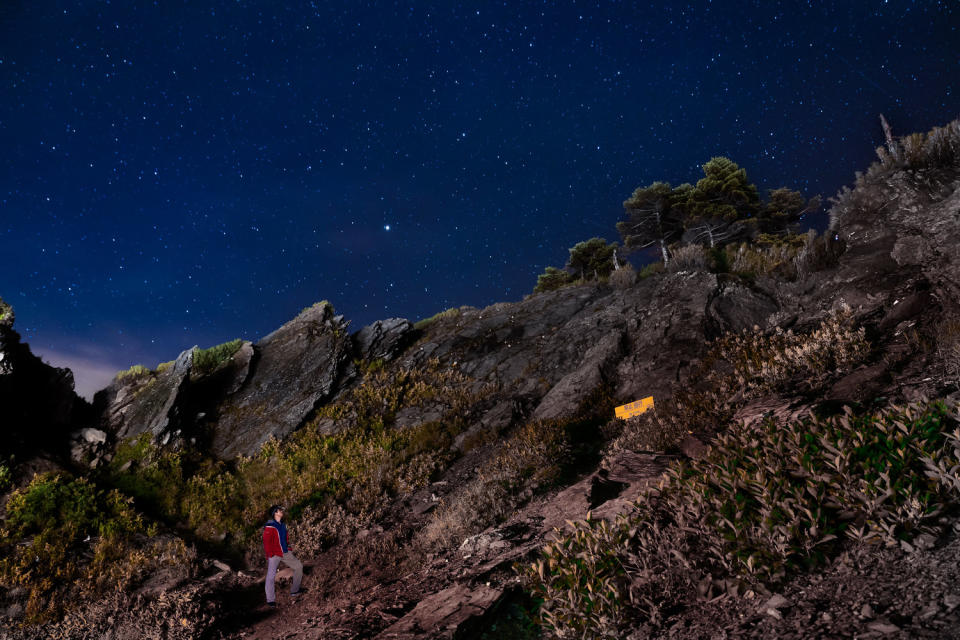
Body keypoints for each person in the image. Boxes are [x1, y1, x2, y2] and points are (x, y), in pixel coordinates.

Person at [262, 505, 304, 606]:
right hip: (275, 554)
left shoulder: (283, 525)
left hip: (285, 552)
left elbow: (286, 539)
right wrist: (270, 554)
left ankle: (295, 590)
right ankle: (270, 600)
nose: (282, 512)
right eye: (280, 510)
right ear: (275, 513)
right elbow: (266, 542)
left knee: (299, 566)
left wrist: (288, 549)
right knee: (271, 576)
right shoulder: (270, 526)